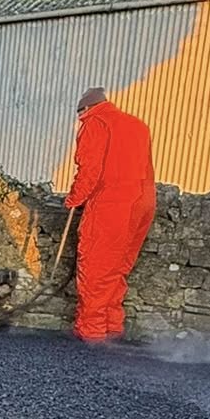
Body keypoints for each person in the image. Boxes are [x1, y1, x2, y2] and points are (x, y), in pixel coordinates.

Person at [63, 90, 156, 343]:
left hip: (112, 202)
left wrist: (74, 198)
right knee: (117, 269)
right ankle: (112, 330)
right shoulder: (137, 125)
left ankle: (91, 335)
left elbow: (89, 169)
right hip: (143, 202)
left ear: (84, 110)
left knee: (95, 269)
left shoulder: (95, 123)